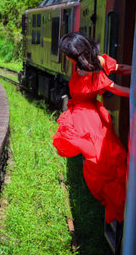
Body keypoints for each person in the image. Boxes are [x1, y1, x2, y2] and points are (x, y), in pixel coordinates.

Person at [52, 32, 131, 223]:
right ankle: (119, 195)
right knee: (104, 159)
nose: (67, 58)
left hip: (86, 119)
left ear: (74, 55)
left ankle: (118, 198)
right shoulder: (95, 63)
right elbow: (121, 69)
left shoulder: (86, 72)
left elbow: (116, 87)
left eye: (67, 54)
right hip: (89, 116)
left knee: (99, 163)